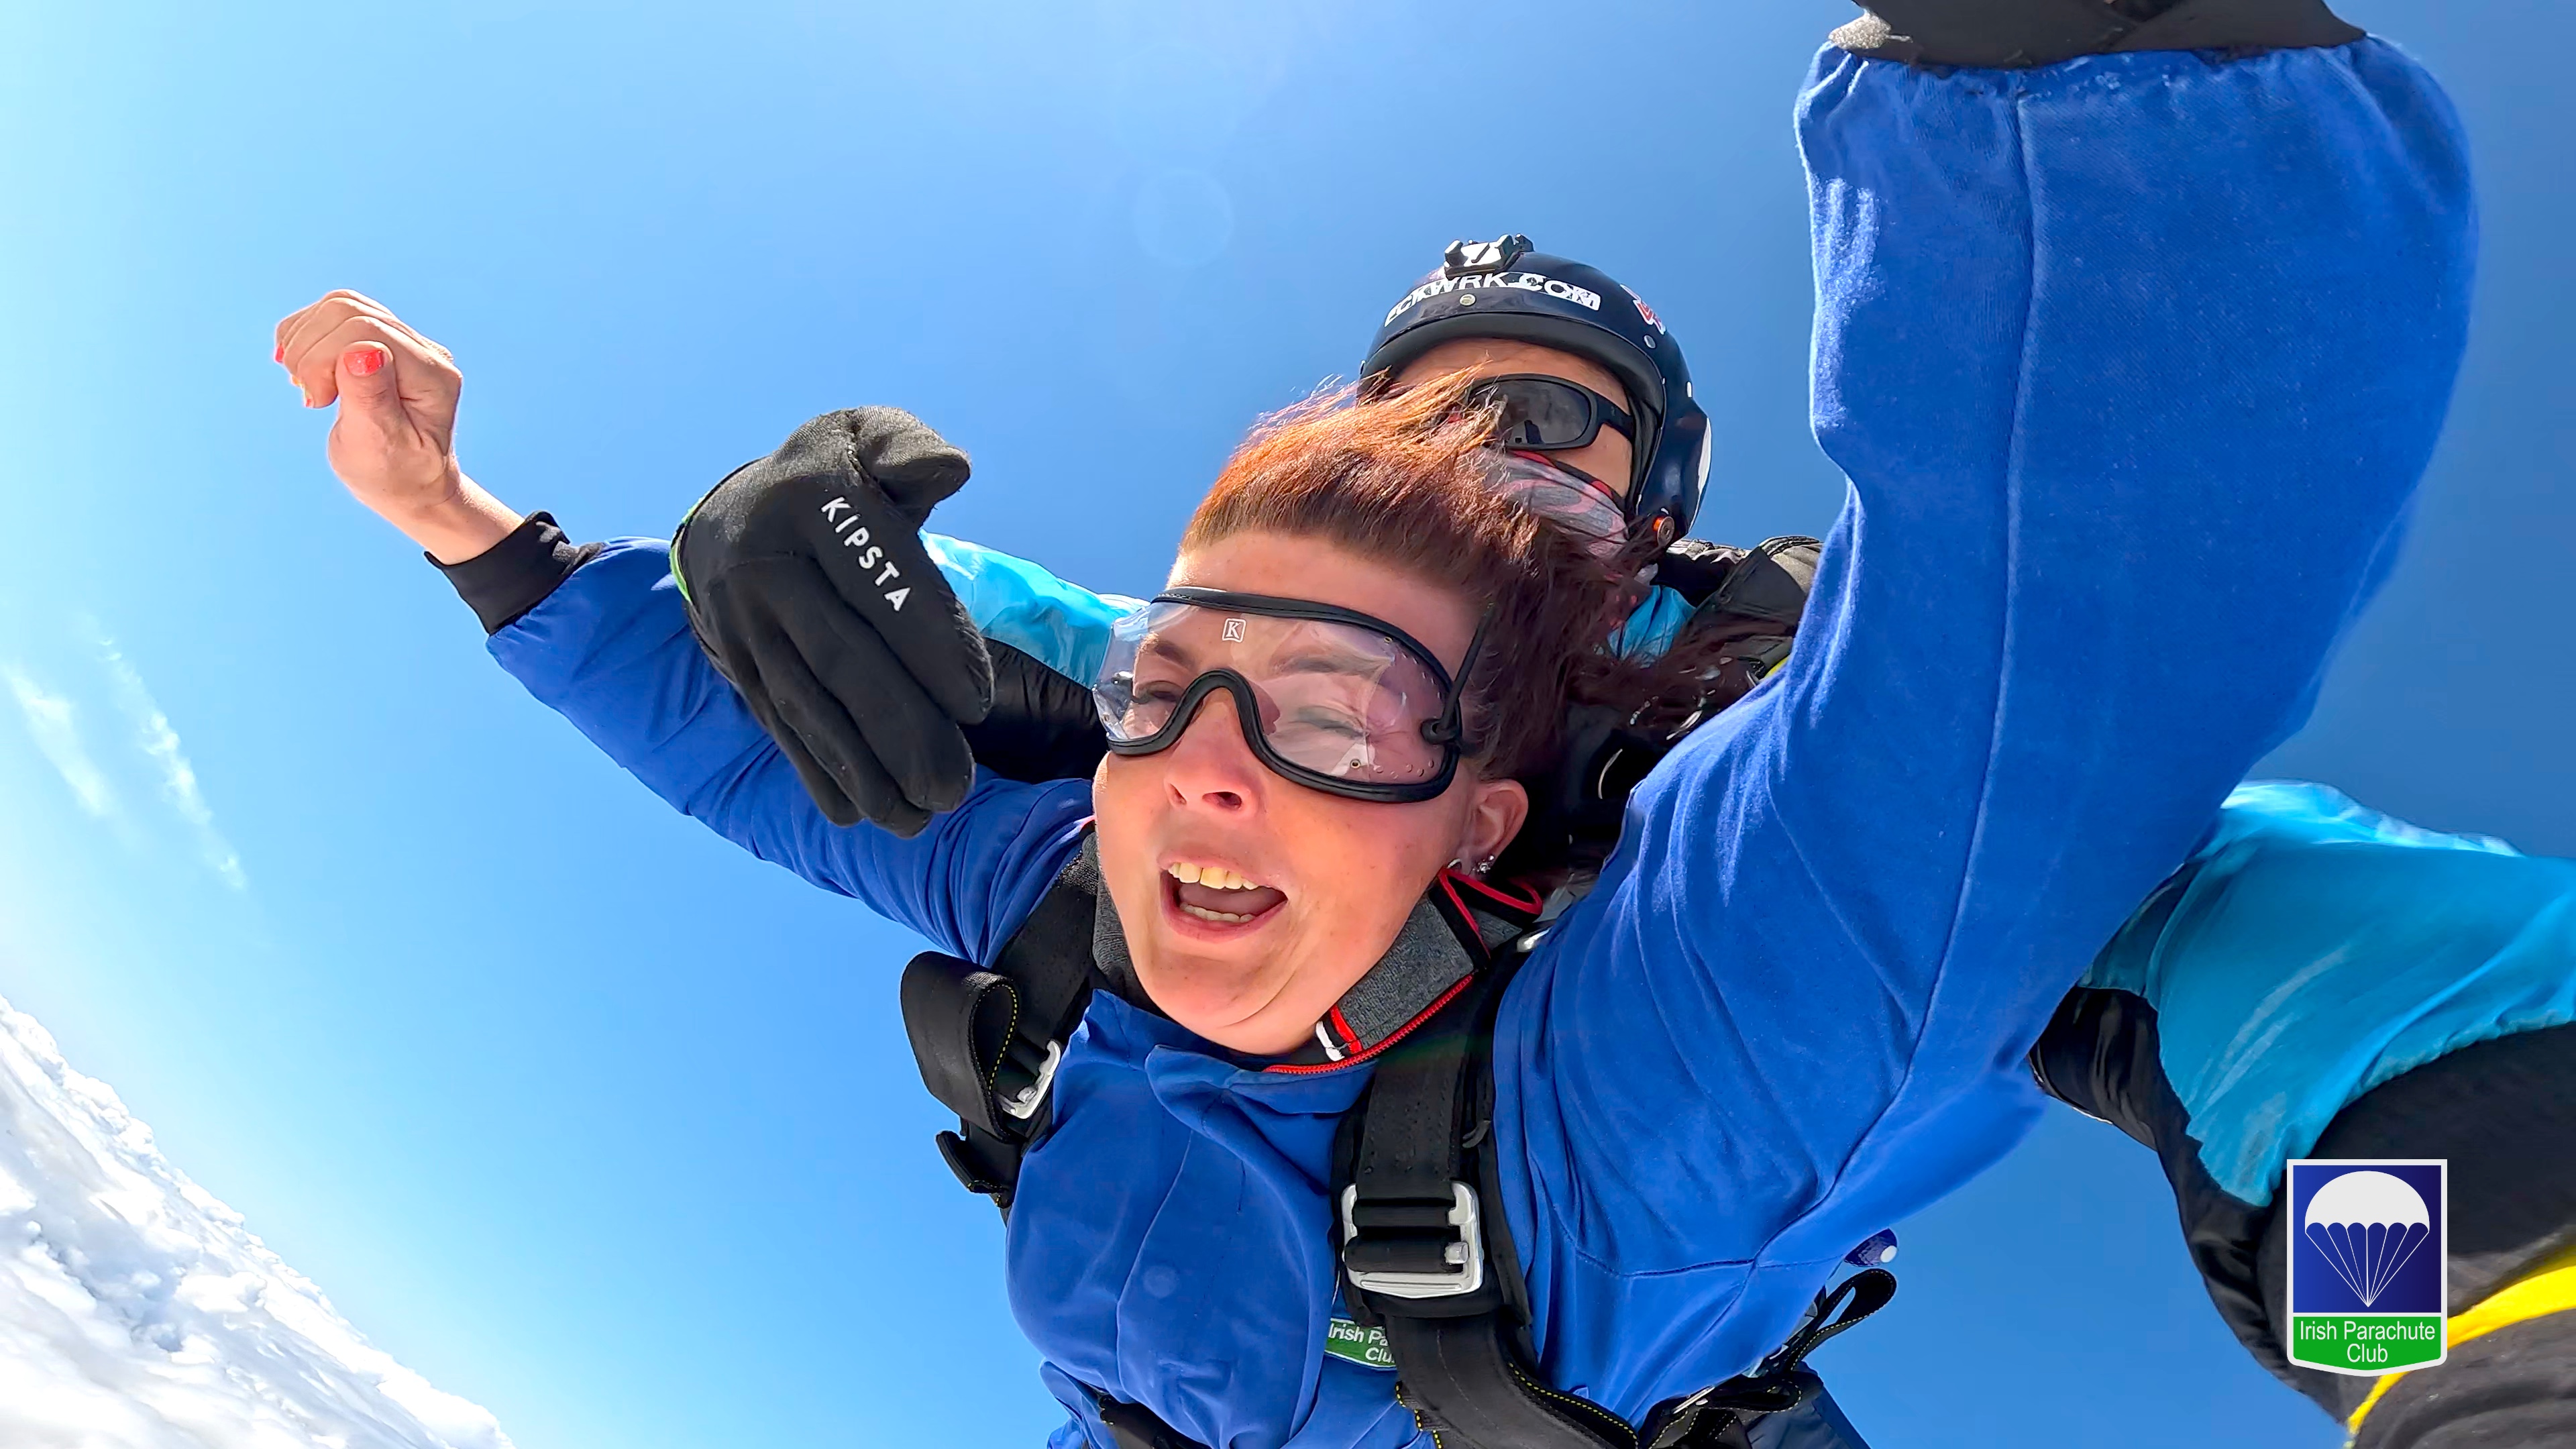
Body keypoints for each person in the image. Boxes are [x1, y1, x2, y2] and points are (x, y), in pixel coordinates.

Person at [272, 2, 2477, 1445]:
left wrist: (2449, 1280)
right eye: (1431, 413)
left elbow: (2068, 731)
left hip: (1560, 1335)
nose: (1488, 454)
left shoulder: (1724, 913)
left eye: (1558, 422)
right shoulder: (1118, 818)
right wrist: (493, 529)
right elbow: (856, 732)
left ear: (1659, 510)